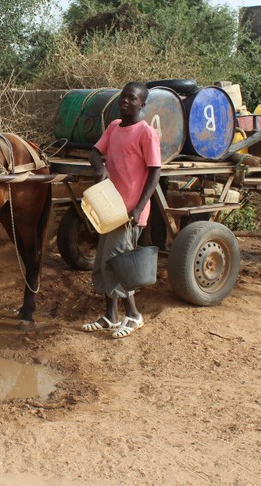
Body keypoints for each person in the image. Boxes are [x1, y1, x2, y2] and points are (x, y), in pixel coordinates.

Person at [81, 82, 162, 338]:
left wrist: (139, 208)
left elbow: (155, 173)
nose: (125, 101)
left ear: (142, 104)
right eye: (123, 96)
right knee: (104, 262)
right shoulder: (115, 126)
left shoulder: (146, 133)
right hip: (109, 209)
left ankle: (134, 315)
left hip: (129, 213)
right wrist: (100, 168)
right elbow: (95, 153)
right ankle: (110, 316)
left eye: (132, 98)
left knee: (120, 265)